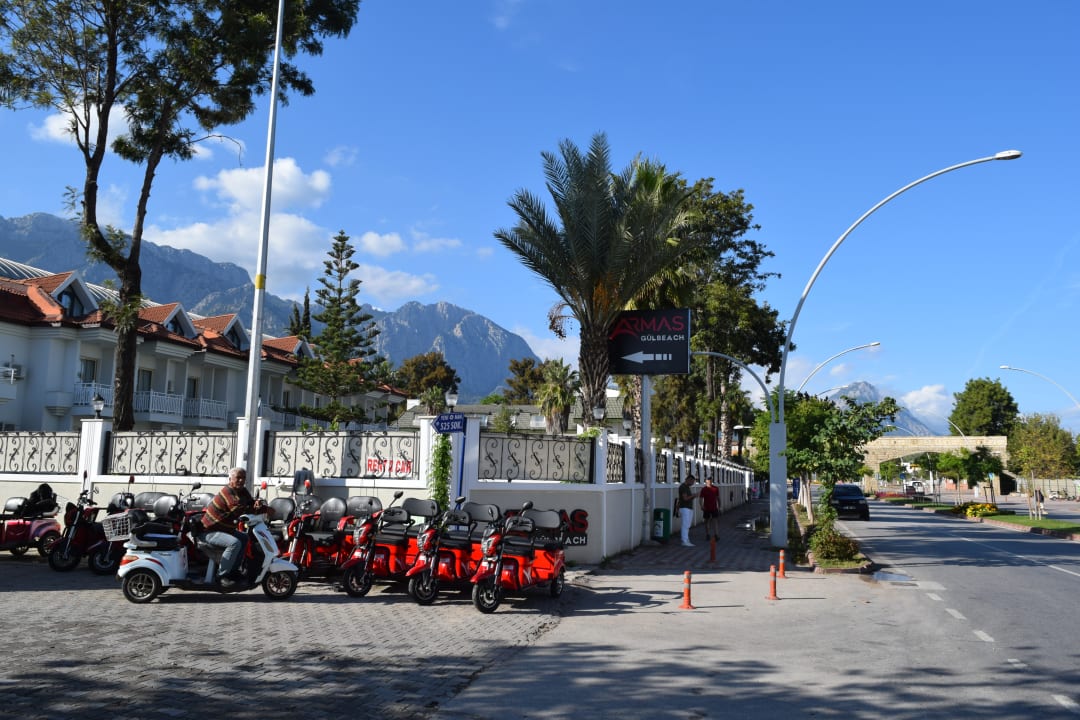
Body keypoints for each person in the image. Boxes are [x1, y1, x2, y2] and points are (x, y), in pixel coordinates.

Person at [201, 467, 265, 582]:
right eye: (238, 478)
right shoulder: (227, 492)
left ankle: (233, 571)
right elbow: (237, 508)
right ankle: (222, 576)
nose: (241, 480)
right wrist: (254, 507)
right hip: (209, 531)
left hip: (223, 529)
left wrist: (257, 503)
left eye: (243, 478)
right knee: (234, 543)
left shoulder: (242, 491)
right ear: (230, 479)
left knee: (244, 538)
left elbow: (250, 503)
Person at [676, 474, 698, 547]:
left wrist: (693, 496)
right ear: (689, 480)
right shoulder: (683, 487)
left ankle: (686, 539)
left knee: (687, 525)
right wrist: (693, 495)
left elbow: (687, 498)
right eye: (692, 482)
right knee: (685, 525)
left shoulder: (687, 487)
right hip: (685, 508)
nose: (692, 484)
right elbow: (685, 499)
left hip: (688, 508)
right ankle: (684, 540)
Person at [699, 475, 720, 542]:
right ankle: (707, 534)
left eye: (710, 481)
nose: (709, 482)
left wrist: (719, 506)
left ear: (712, 481)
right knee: (706, 521)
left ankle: (716, 535)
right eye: (708, 481)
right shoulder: (704, 489)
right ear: (706, 481)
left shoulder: (715, 488)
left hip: (714, 507)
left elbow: (718, 498)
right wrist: (701, 506)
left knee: (715, 521)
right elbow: (701, 498)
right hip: (706, 508)